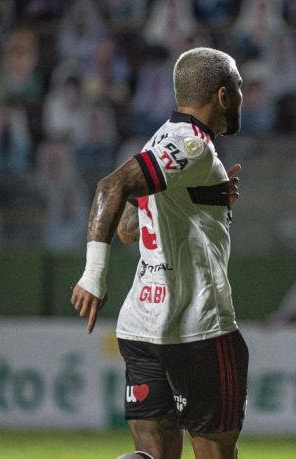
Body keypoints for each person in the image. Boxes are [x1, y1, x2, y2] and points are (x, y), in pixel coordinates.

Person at [70, 47, 247, 459]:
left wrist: (205, 201)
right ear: (222, 95)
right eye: (238, 86)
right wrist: (93, 276)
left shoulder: (160, 139)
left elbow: (128, 229)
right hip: (197, 326)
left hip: (142, 328)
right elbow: (110, 187)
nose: (242, 95)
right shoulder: (193, 145)